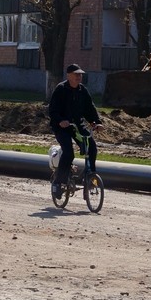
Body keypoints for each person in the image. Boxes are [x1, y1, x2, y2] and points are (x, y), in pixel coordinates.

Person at [48, 63, 104, 199]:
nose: (79, 77)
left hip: (77, 126)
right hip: (62, 127)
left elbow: (89, 108)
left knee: (92, 148)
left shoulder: (82, 91)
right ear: (68, 76)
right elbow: (52, 110)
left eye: (80, 74)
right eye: (76, 74)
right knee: (68, 152)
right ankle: (58, 182)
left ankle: (89, 178)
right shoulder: (61, 89)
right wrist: (60, 120)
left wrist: (96, 123)